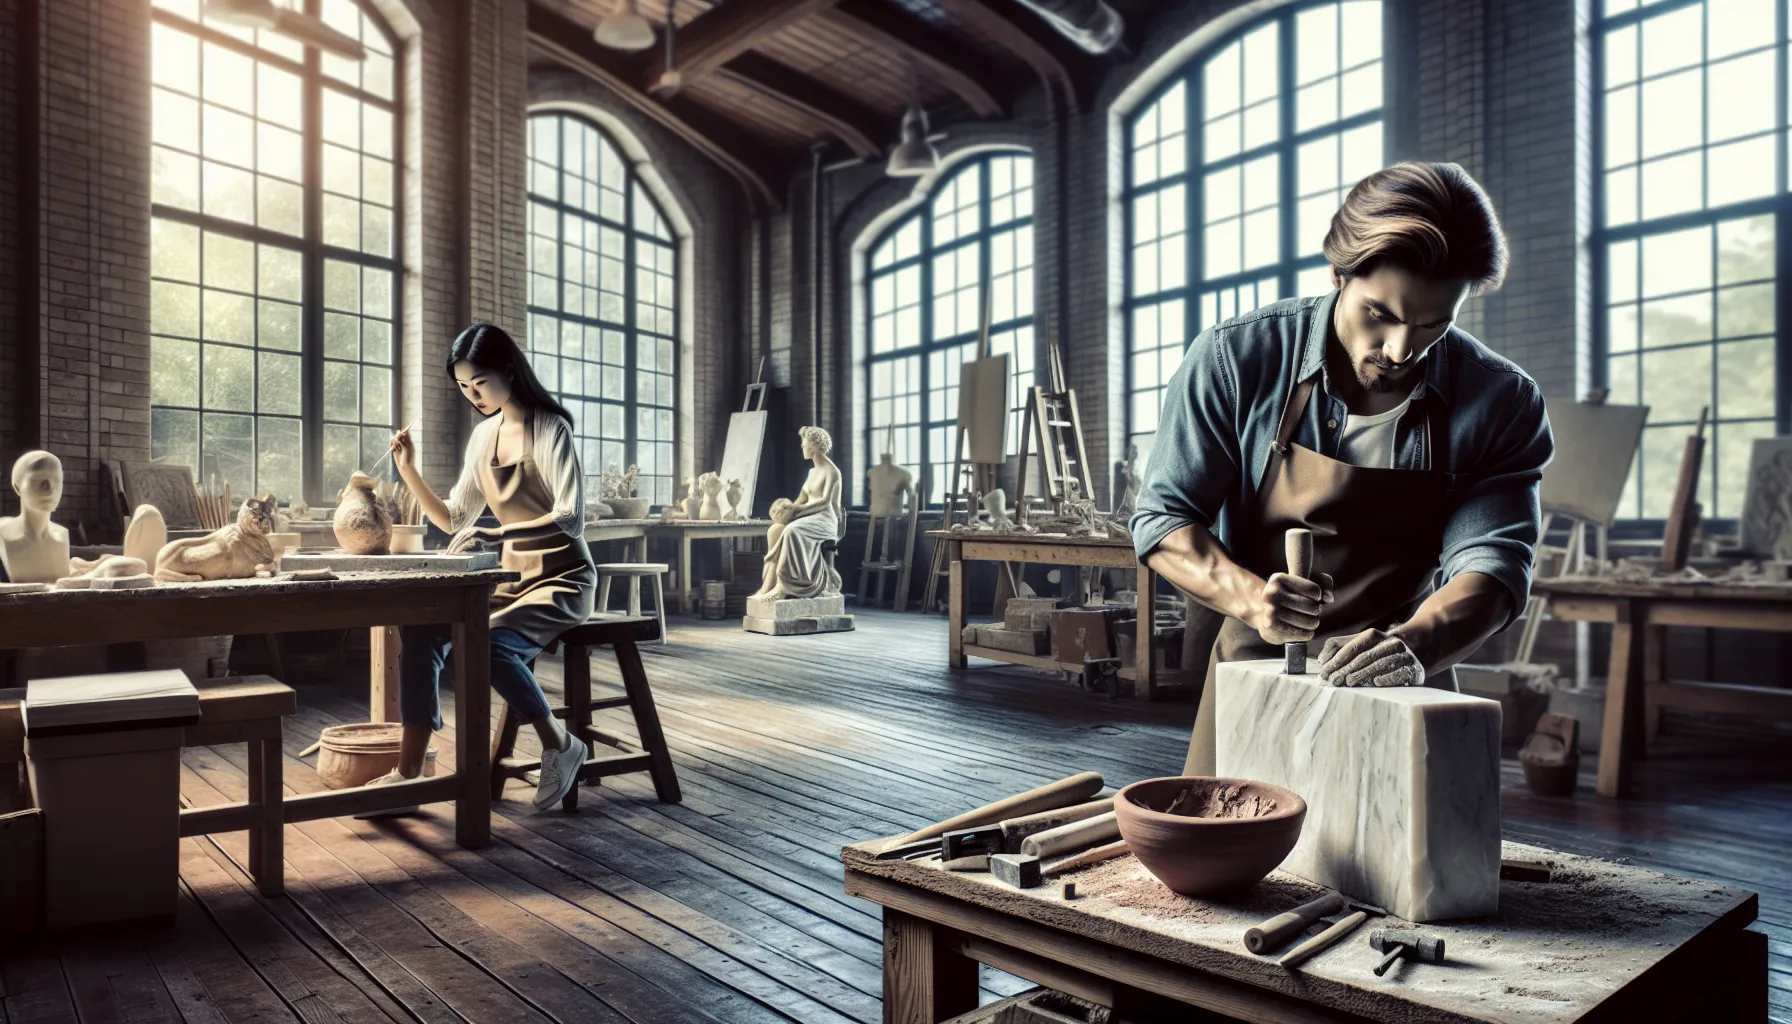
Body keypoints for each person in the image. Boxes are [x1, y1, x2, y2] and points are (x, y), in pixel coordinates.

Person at [1132, 161, 1554, 776]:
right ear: (1338, 275)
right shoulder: (1236, 358)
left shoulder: (1501, 400)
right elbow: (1163, 519)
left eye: (1435, 323)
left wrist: (1416, 644)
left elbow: (1494, 563)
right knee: (1228, 854)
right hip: (1258, 663)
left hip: (1403, 672)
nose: (1402, 351)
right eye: (1379, 315)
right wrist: (1254, 600)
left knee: (1408, 865)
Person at [367, 322, 596, 813]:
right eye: (464, 388)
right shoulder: (482, 437)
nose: (474, 396)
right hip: (508, 580)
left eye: (481, 383)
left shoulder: (551, 428)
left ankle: (560, 742)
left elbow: (571, 519)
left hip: (562, 580)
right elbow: (454, 519)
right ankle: (408, 772)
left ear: (510, 371)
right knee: (421, 626)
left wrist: (497, 534)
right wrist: (408, 470)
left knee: (486, 645)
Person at [754, 426, 845, 600]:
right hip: (810, 517)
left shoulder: (832, 471)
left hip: (825, 519)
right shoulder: (812, 472)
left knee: (791, 531)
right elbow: (801, 498)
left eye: (804, 443)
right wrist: (785, 511)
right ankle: (768, 584)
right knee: (775, 530)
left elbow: (825, 502)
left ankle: (788, 585)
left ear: (815, 445)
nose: (802, 447)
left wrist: (797, 511)